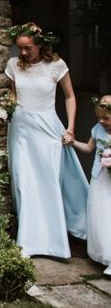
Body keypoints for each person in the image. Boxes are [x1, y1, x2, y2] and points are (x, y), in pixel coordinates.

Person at [5, 22, 88, 258]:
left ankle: (55, 243)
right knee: (24, 183)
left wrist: (70, 128)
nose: (23, 52)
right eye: (20, 48)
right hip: (21, 129)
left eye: (28, 48)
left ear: (40, 45)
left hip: (48, 128)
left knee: (50, 181)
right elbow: (14, 94)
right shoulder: (13, 65)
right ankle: (28, 242)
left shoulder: (56, 65)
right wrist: (8, 107)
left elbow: (70, 96)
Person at [71, 95, 111, 275]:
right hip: (98, 177)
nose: (102, 121)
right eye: (99, 118)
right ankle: (99, 254)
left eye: (106, 118)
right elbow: (89, 149)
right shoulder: (97, 130)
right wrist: (72, 143)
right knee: (98, 214)